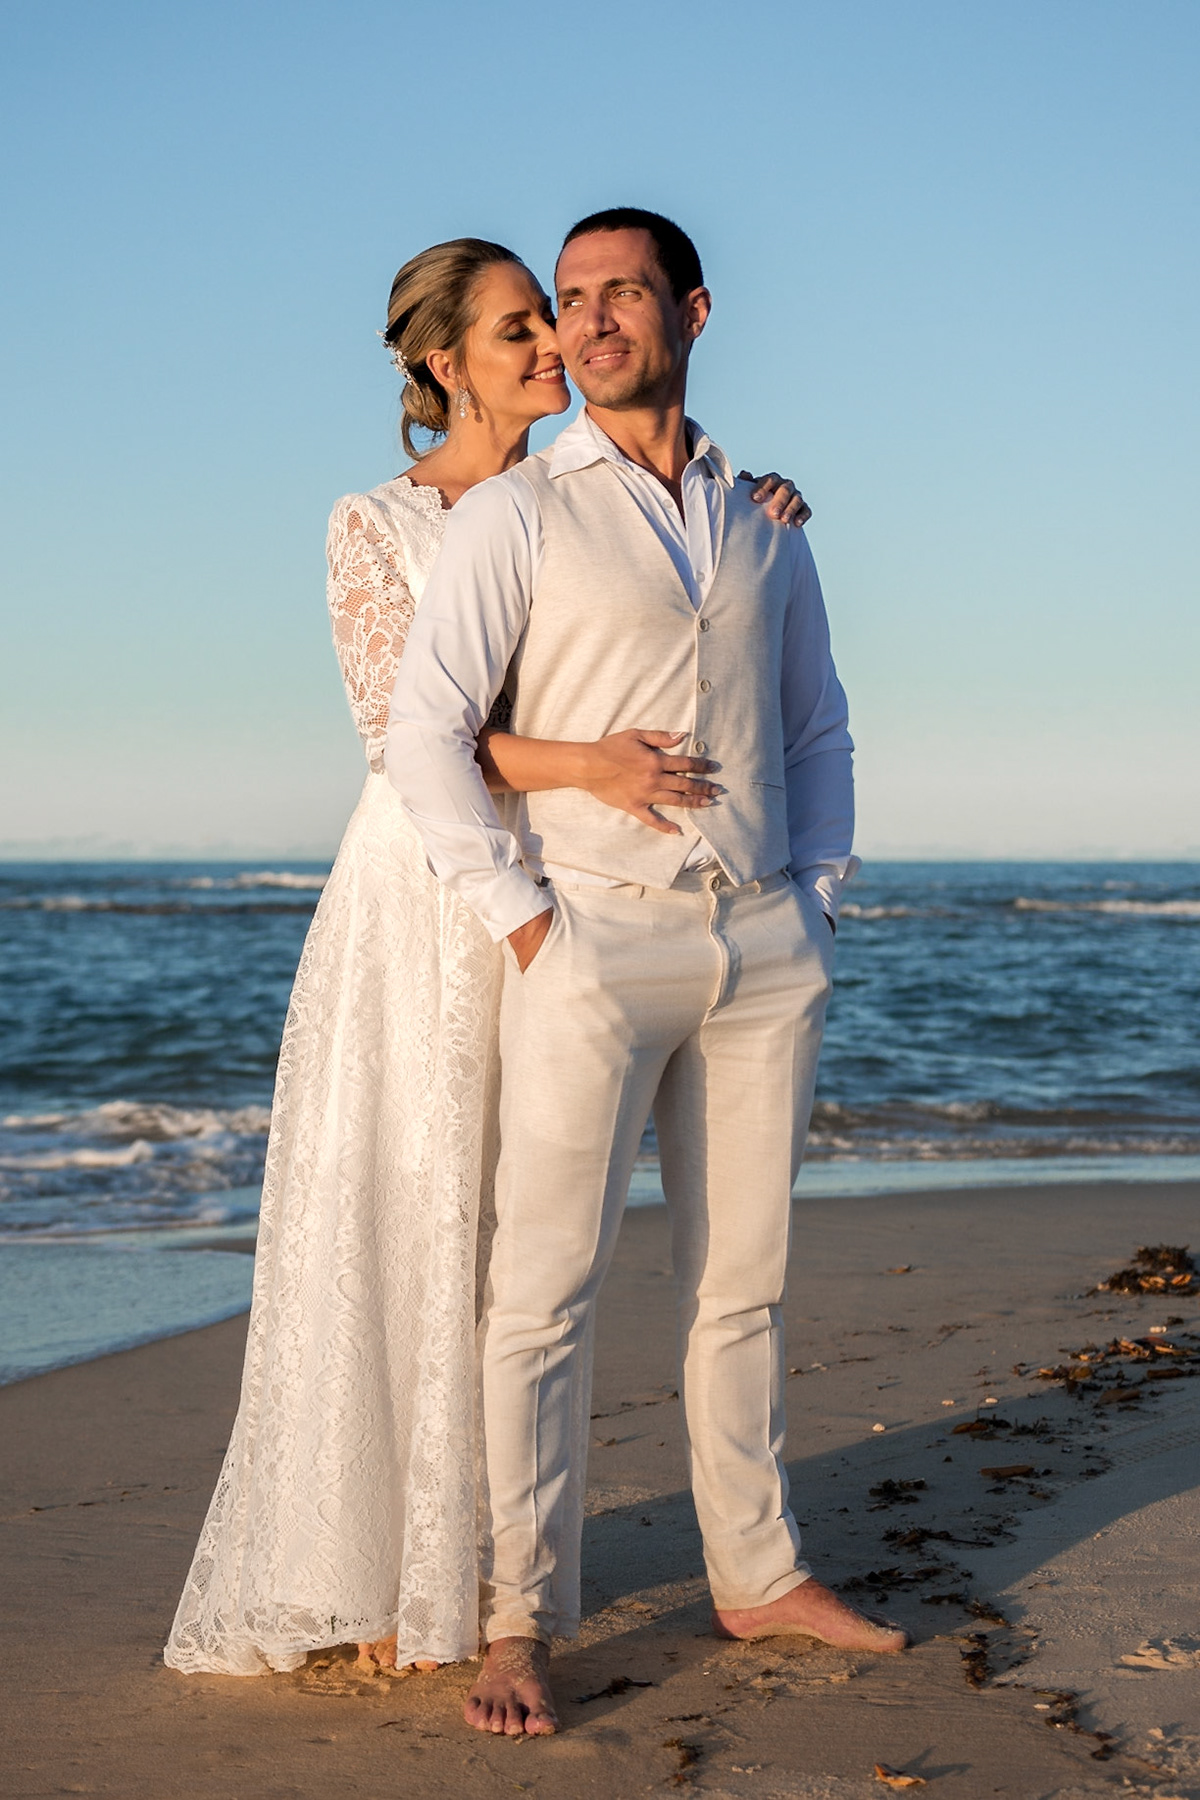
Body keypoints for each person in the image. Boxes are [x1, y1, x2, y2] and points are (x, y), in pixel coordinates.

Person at [163, 235, 807, 1679]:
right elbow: (405, 738)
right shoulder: (384, 521)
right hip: (435, 898)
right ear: (442, 362)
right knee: (418, 1219)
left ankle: (496, 1568)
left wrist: (759, 502)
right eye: (517, 327)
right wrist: (586, 766)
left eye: (555, 319)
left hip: (579, 885)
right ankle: (398, 1567)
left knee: (513, 1242)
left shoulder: (590, 501)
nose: (549, 344)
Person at [386, 207, 907, 1739]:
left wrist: (813, 897)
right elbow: (429, 729)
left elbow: (817, 726)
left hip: (760, 949)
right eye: (569, 300)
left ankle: (757, 1572)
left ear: (691, 308)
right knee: (544, 1296)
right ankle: (519, 1620)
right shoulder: (520, 514)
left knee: (740, 1284)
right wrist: (521, 916)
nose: (592, 320)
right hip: (591, 937)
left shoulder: (762, 519)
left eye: (621, 294)